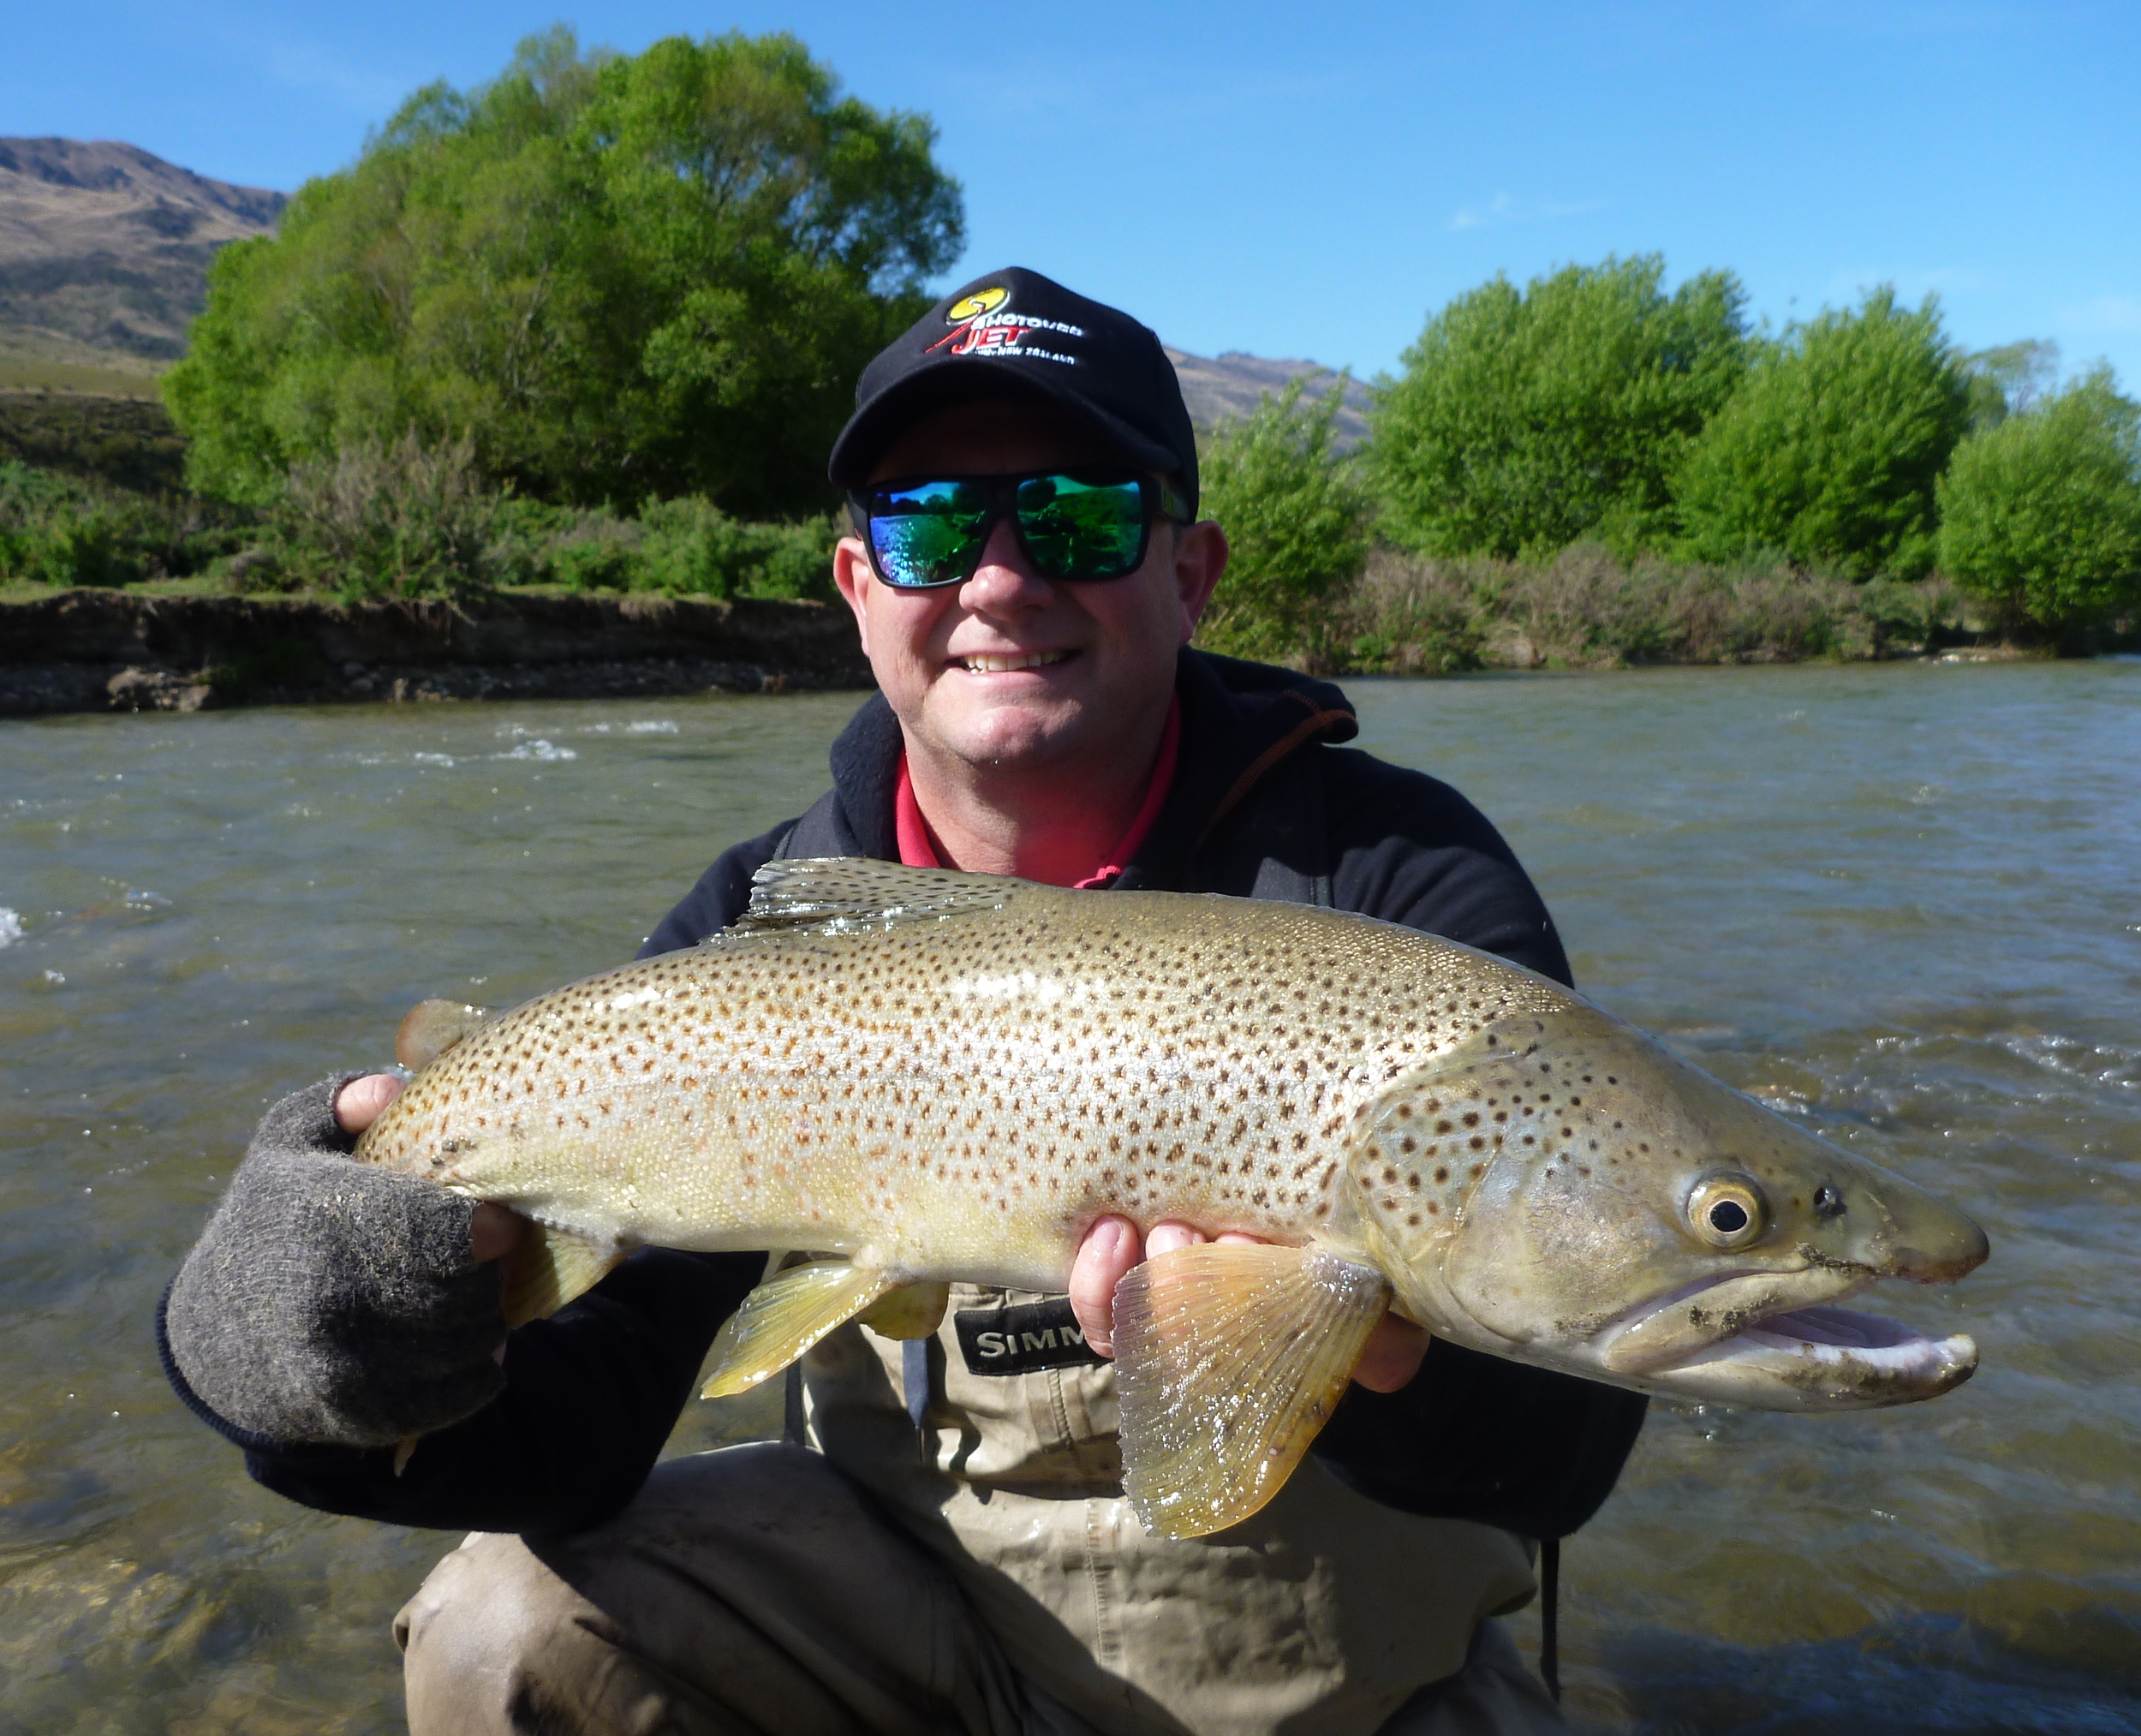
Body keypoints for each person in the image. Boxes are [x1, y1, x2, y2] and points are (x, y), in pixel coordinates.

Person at [160, 268, 1647, 1736]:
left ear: (1189, 573)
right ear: (860, 588)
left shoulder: (1398, 883)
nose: (1000, 578)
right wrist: (308, 1362)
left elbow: (1566, 1451)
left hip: (1350, 1689)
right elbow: (574, 1429)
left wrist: (1378, 1348)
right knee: (505, 1630)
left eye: (1077, 514)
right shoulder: (755, 933)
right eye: (929, 525)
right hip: (910, 1647)